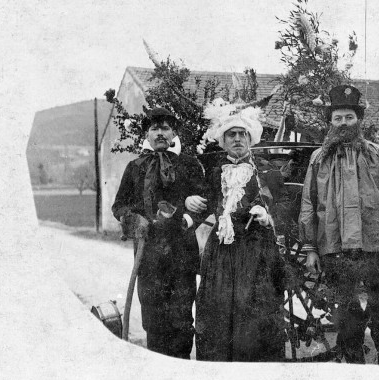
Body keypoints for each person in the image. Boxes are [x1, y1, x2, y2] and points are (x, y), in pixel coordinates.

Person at [299, 84, 379, 365]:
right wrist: (311, 247)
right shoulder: (318, 159)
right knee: (346, 312)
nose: (344, 123)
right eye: (338, 118)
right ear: (330, 123)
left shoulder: (378, 154)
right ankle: (353, 367)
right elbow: (308, 204)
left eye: (349, 117)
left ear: (358, 120)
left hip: (376, 245)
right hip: (335, 248)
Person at [193, 102, 286, 362]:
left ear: (250, 138)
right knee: (218, 308)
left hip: (256, 252)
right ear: (222, 141)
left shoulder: (267, 173)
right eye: (231, 135)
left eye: (241, 134)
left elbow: (285, 208)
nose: (236, 139)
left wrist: (268, 217)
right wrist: (191, 204)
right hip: (221, 253)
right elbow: (204, 203)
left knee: (253, 309)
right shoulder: (213, 174)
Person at [112, 107, 204, 358]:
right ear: (147, 134)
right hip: (149, 255)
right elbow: (119, 205)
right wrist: (133, 217)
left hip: (181, 253)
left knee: (181, 318)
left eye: (165, 128)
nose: (160, 133)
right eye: (155, 128)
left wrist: (189, 215)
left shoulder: (189, 164)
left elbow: (206, 199)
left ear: (174, 133)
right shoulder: (135, 167)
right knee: (153, 320)